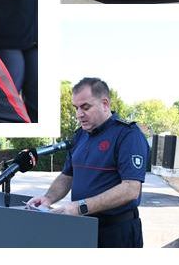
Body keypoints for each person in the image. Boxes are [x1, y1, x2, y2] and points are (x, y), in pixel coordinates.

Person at [26, 78, 149, 248]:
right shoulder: (80, 135)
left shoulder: (128, 135)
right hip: (83, 227)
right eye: (76, 108)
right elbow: (67, 175)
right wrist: (48, 198)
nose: (78, 114)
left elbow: (130, 189)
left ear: (105, 104)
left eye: (85, 107)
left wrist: (80, 208)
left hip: (117, 232)